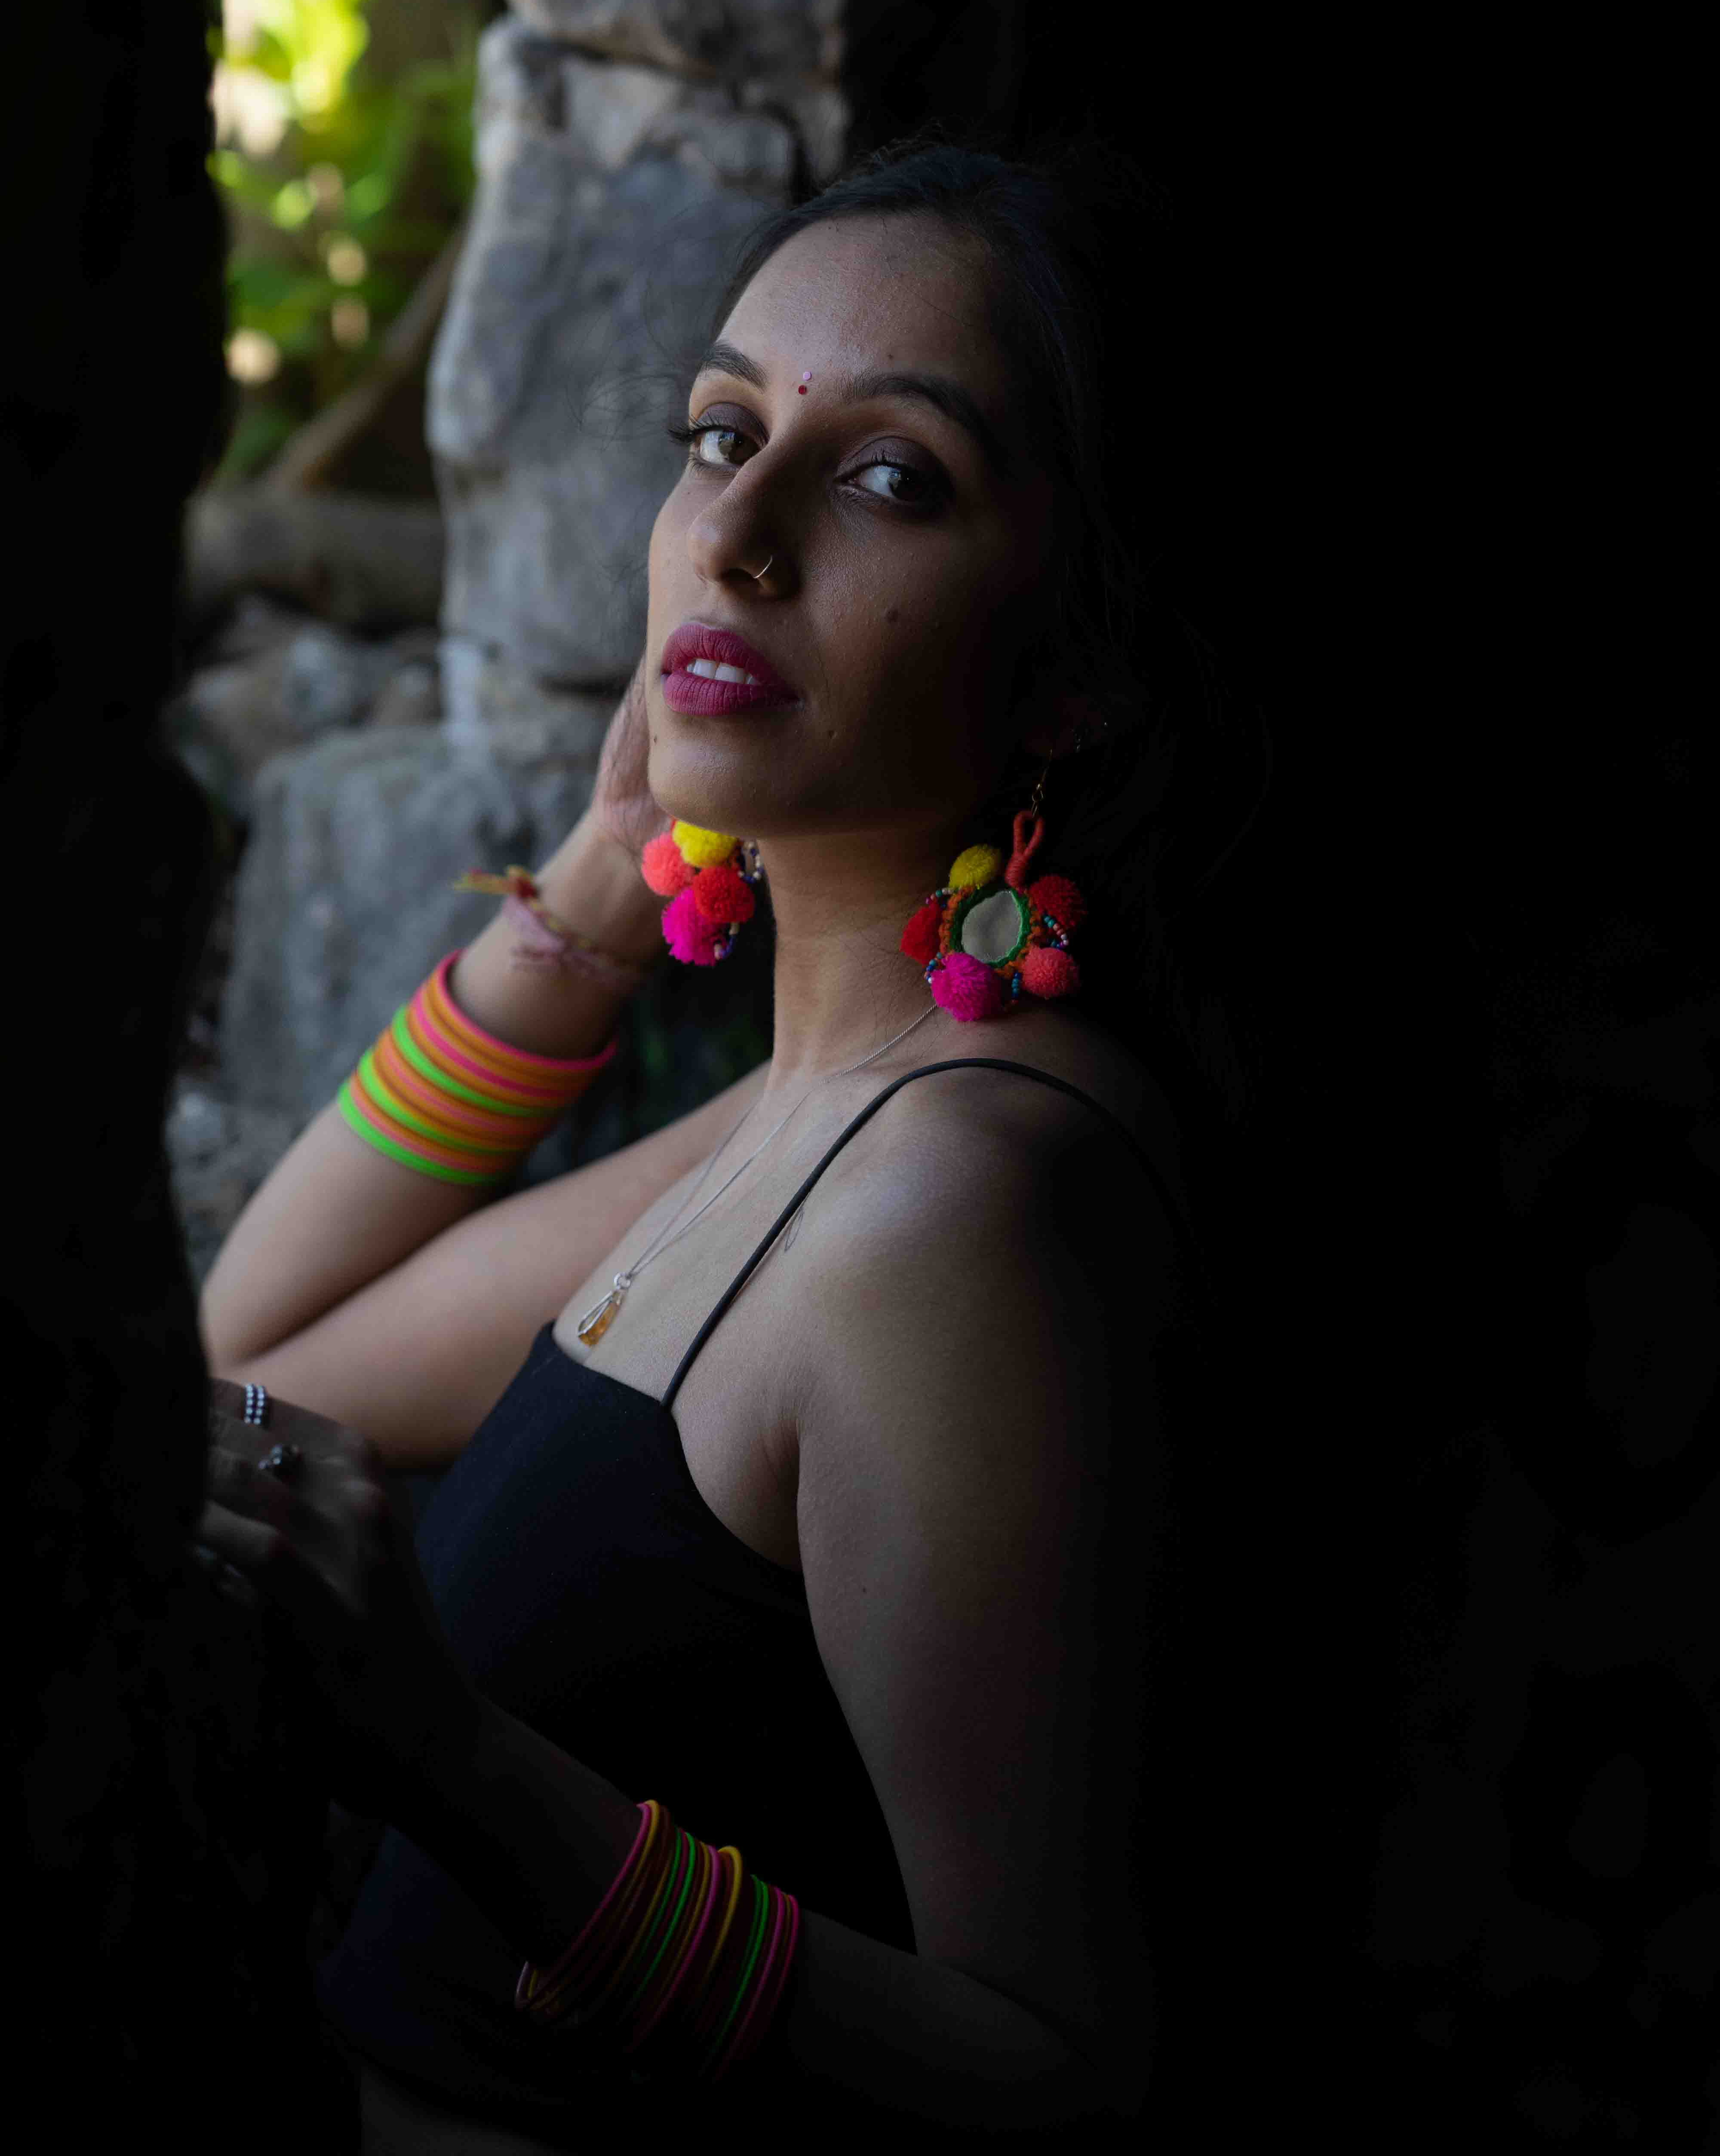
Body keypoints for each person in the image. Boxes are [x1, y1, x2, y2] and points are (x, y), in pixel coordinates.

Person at [196, 138, 1277, 2151]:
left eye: (890, 478)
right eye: (721, 435)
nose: (739, 534)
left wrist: (455, 1762)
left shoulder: (955, 1208)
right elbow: (267, 1352)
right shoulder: (820, 1114)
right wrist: (600, 890)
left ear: (1076, 670)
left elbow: (1060, 2076)